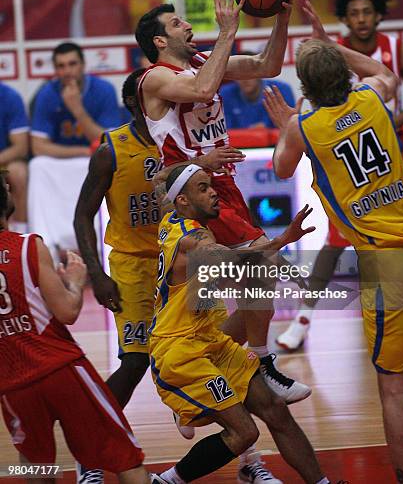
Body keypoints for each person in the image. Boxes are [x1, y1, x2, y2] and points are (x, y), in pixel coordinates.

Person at [264, 2, 403, 484]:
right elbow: (381, 71)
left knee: (394, 390)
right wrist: (330, 45)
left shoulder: (305, 128)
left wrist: (286, 127)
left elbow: (280, 168)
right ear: (343, 74)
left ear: (305, 89)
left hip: (386, 262)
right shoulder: (375, 100)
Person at [74, 70, 274, 484]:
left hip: (184, 264)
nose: (168, 104)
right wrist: (97, 273)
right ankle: (89, 454)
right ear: (138, 104)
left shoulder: (182, 142)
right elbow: (82, 215)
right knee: (134, 363)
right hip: (134, 265)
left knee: (215, 351)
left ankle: (248, 458)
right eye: (161, 99)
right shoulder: (111, 148)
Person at [135, 0, 312, 405]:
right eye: (177, 23)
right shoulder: (155, 78)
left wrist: (280, 19)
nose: (188, 24)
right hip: (190, 188)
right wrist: (228, 30)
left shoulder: (200, 60)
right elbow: (200, 90)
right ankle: (261, 364)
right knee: (260, 270)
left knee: (253, 281)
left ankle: (201, 362)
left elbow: (267, 65)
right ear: (160, 41)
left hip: (222, 183)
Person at [149, 164, 334, 484]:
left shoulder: (173, 217)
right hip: (180, 351)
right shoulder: (192, 239)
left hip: (208, 338)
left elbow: (163, 185)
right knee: (243, 432)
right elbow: (226, 257)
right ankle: (165, 481)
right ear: (182, 200)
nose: (213, 192)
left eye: (211, 186)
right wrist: (281, 241)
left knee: (276, 409)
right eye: (203, 188)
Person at [277, 0, 403, 350]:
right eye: (354, 13)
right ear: (345, 19)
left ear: (378, 14)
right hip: (347, 152)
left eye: (367, 12)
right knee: (334, 242)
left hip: (394, 148)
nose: (361, 19)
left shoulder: (397, 48)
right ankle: (303, 317)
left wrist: (387, 123)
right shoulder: (334, 53)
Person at [0, 171, 150, 484]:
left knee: (33, 463)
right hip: (59, 369)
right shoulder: (28, 246)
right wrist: (76, 281)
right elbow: (68, 312)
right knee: (126, 458)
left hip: (12, 384)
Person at [31, 41, 121, 158]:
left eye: (72, 64)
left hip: (97, 158)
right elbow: (38, 147)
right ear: (55, 69)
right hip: (62, 158)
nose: (67, 71)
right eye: (61, 66)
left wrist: (77, 109)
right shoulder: (47, 93)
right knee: (38, 164)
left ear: (83, 65)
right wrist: (84, 151)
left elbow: (110, 143)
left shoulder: (104, 89)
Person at [0, 82, 29, 233]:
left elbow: (21, 146)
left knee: (18, 172)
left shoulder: (10, 97)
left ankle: (20, 233)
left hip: (3, 161)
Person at [222, 73, 295, 129]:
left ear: (259, 74)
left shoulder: (281, 89)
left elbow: (290, 124)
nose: (245, 79)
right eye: (240, 75)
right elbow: (226, 130)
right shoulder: (225, 93)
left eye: (250, 74)